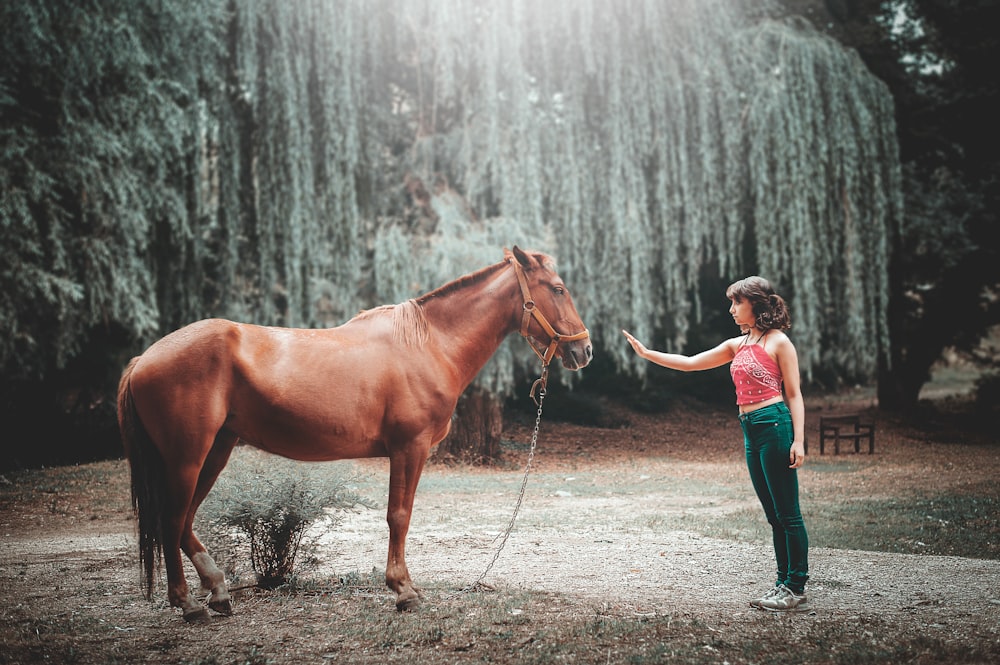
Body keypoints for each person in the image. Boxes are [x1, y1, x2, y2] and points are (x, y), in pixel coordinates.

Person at [622, 276, 809, 611]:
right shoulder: (737, 345)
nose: (732, 309)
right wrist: (648, 354)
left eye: (737, 302)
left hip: (774, 425)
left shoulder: (779, 342)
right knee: (773, 515)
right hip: (750, 428)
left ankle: (795, 586)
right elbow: (691, 363)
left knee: (788, 513)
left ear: (756, 303)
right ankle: (782, 583)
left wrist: (798, 440)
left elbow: (794, 394)